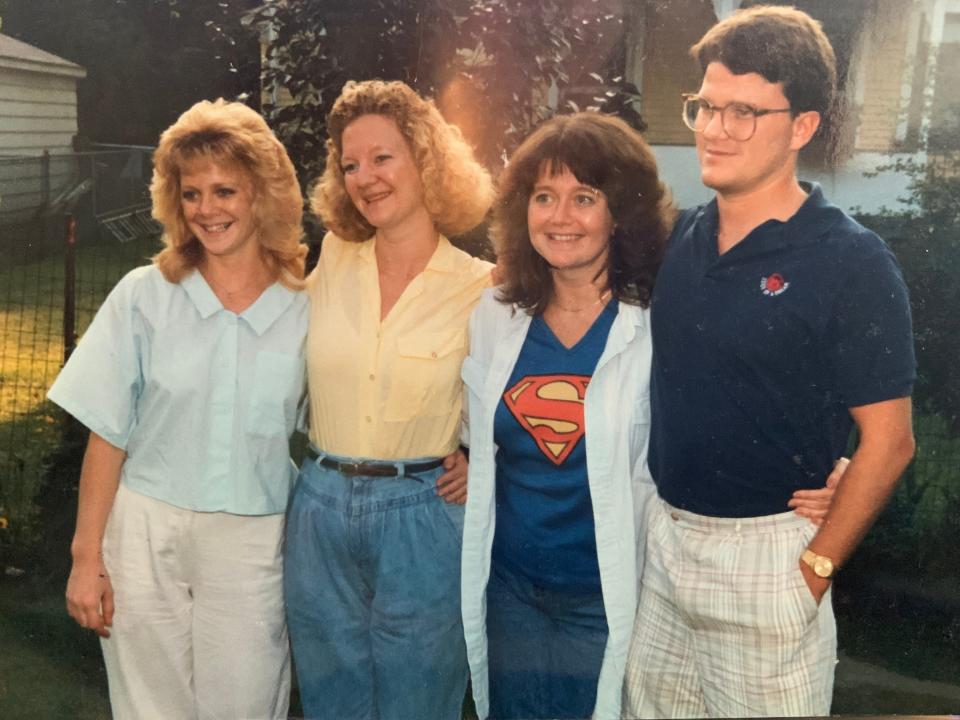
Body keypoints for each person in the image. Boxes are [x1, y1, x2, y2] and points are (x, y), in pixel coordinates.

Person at [623, 6, 916, 718]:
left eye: (745, 112)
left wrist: (815, 569)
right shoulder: (681, 238)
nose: (717, 129)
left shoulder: (849, 260)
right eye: (707, 106)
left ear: (804, 127)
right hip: (662, 551)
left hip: (769, 563)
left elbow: (891, 441)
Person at [48, 99, 307, 719]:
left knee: (246, 705)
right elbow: (108, 434)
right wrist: (87, 559)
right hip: (143, 531)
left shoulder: (308, 306)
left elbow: (359, 414)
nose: (207, 210)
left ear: (263, 194)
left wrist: (450, 453)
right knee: (149, 708)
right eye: (191, 194)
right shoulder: (145, 296)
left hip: (253, 537)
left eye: (225, 191)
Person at [283, 79, 495, 720]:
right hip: (318, 511)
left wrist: (480, 455)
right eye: (350, 164)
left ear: (425, 160)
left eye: (382, 157)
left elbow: (515, 397)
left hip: (423, 518)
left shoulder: (481, 287)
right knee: (331, 704)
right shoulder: (329, 262)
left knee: (417, 705)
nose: (365, 177)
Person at [459, 112, 671, 720]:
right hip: (513, 591)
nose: (559, 217)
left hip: (605, 594)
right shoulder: (496, 312)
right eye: (544, 197)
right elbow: (481, 436)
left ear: (620, 213)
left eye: (584, 198)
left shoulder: (656, 322)